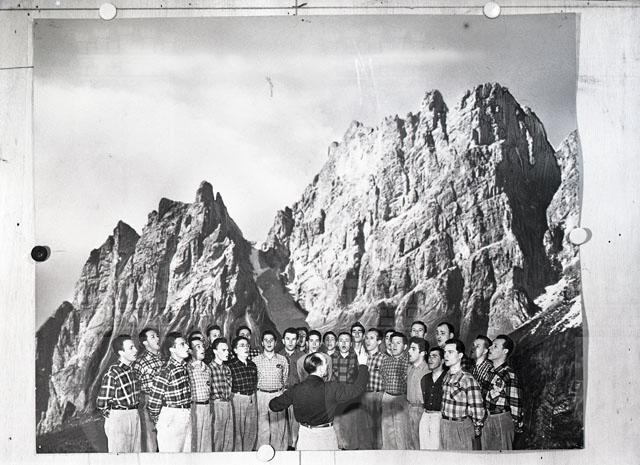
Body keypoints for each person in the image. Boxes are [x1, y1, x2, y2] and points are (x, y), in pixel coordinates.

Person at [268, 348, 370, 450]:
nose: (327, 366)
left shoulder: (296, 389)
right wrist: (363, 365)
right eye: (325, 363)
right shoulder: (332, 388)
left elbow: (273, 405)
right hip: (326, 437)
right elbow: (358, 388)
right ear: (321, 369)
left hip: (304, 437)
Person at [147, 332, 192, 452]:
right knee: (171, 456)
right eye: (182, 344)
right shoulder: (166, 370)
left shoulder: (184, 367)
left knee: (187, 455)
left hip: (186, 413)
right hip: (171, 415)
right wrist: (162, 421)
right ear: (172, 349)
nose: (187, 347)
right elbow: (154, 402)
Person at [96, 334, 141, 453]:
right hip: (119, 418)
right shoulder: (113, 373)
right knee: (119, 455)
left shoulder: (132, 371)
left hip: (134, 414)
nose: (135, 350)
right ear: (121, 352)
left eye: (134, 347)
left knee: (135, 454)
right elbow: (101, 403)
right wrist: (115, 416)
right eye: (131, 348)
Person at [440, 338, 485, 450]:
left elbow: (477, 409)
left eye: (450, 352)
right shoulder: (447, 376)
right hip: (445, 424)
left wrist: (477, 427)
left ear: (460, 355)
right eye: (445, 352)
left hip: (460, 426)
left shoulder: (467, 379)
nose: (446, 355)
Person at [483, 334, 523, 450]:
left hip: (501, 420)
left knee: (502, 455)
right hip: (487, 418)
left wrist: (517, 424)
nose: (490, 348)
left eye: (495, 346)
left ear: (505, 351)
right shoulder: (490, 372)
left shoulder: (509, 375)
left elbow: (515, 403)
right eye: (491, 345)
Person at [253, 330, 289, 450]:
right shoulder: (255, 360)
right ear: (262, 343)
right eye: (266, 340)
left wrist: (280, 392)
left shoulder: (282, 360)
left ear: (275, 342)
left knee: (278, 427)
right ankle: (263, 453)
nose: (269, 343)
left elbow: (285, 377)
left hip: (277, 394)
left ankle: (280, 454)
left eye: (271, 340)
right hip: (261, 395)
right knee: (262, 426)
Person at [131, 327, 163, 452]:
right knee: (151, 441)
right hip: (148, 401)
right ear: (145, 342)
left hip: (165, 401)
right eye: (153, 337)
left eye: (157, 336)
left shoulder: (163, 359)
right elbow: (135, 385)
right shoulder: (140, 362)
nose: (157, 339)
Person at [227, 335, 259, 451]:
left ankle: (248, 453)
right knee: (237, 431)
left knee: (251, 430)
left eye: (247, 345)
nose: (246, 348)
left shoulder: (252, 365)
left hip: (251, 398)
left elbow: (255, 382)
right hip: (237, 399)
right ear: (235, 350)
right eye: (242, 346)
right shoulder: (230, 365)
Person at [380, 331, 410, 449]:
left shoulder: (408, 362)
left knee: (401, 431)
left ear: (405, 346)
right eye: (392, 343)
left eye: (398, 343)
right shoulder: (386, 361)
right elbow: (383, 377)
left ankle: (402, 456)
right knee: (387, 431)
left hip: (401, 397)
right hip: (387, 397)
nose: (394, 346)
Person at [360, 327, 388, 449]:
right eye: (366, 338)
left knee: (378, 430)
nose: (368, 341)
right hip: (363, 397)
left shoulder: (384, 359)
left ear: (379, 341)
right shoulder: (362, 358)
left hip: (378, 397)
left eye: (372, 338)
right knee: (364, 431)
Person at [332, 331, 360, 449]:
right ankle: (338, 448)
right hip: (336, 397)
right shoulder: (331, 358)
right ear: (337, 343)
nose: (344, 343)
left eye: (347, 341)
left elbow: (359, 378)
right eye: (341, 341)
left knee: (350, 424)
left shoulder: (355, 358)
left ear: (351, 344)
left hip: (350, 397)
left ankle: (350, 449)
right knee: (336, 425)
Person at [278, 327, 303, 449]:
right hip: (281, 393)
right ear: (283, 340)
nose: (290, 342)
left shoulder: (303, 357)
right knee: (281, 423)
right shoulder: (277, 355)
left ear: (297, 341)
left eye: (293, 339)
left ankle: (294, 447)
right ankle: (283, 448)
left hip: (296, 394)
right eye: (288, 339)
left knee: (295, 424)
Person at [187, 337, 213, 452]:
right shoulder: (188, 368)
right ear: (190, 351)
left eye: (202, 346)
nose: (202, 349)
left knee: (206, 441)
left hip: (206, 406)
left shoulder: (207, 368)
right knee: (195, 440)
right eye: (198, 347)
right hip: (194, 407)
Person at [209, 337, 234, 451]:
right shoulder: (209, 368)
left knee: (228, 437)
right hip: (215, 404)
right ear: (215, 351)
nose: (227, 353)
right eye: (223, 350)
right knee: (217, 437)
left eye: (227, 350)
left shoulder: (227, 368)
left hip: (228, 403)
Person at [419, 347, 445, 450]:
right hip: (425, 415)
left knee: (436, 448)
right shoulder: (425, 378)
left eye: (434, 356)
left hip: (439, 417)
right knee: (423, 447)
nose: (430, 359)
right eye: (429, 356)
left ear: (442, 360)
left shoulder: (447, 378)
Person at [406, 337, 430, 449]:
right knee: (409, 444)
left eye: (413, 349)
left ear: (422, 353)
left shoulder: (428, 370)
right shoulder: (409, 369)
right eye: (409, 348)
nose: (409, 351)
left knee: (421, 444)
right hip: (409, 408)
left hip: (422, 410)